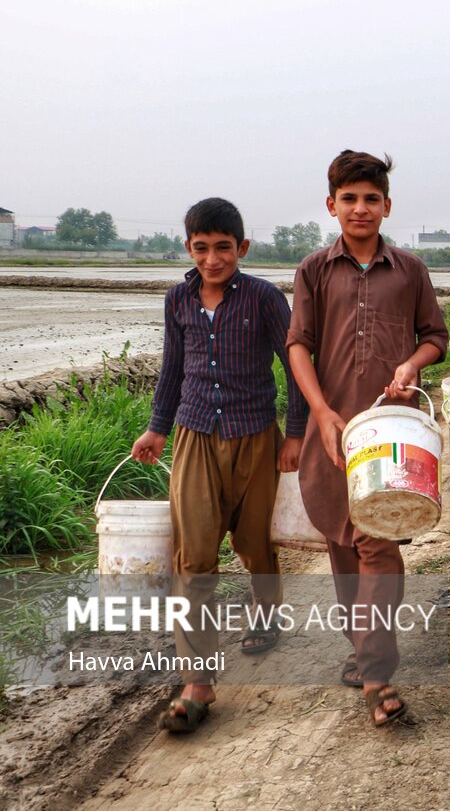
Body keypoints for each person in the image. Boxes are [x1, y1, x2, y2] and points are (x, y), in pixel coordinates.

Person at [131, 196, 308, 734]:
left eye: (223, 248)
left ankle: (265, 612)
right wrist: (157, 427)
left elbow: (296, 364)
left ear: (242, 248)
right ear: (188, 247)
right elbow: (172, 369)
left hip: (256, 436)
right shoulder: (177, 300)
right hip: (195, 435)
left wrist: (295, 434)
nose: (212, 259)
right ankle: (198, 680)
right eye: (201, 248)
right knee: (195, 554)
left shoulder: (263, 298)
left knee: (255, 544)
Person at [287, 150, 448, 726]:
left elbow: (436, 337)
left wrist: (410, 365)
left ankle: (377, 673)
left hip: (388, 432)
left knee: (377, 544)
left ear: (386, 206)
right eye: (349, 198)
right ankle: (362, 652)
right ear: (332, 204)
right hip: (332, 432)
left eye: (371, 199)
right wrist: (320, 413)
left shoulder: (408, 270)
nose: (360, 208)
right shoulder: (313, 269)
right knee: (342, 545)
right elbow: (298, 344)